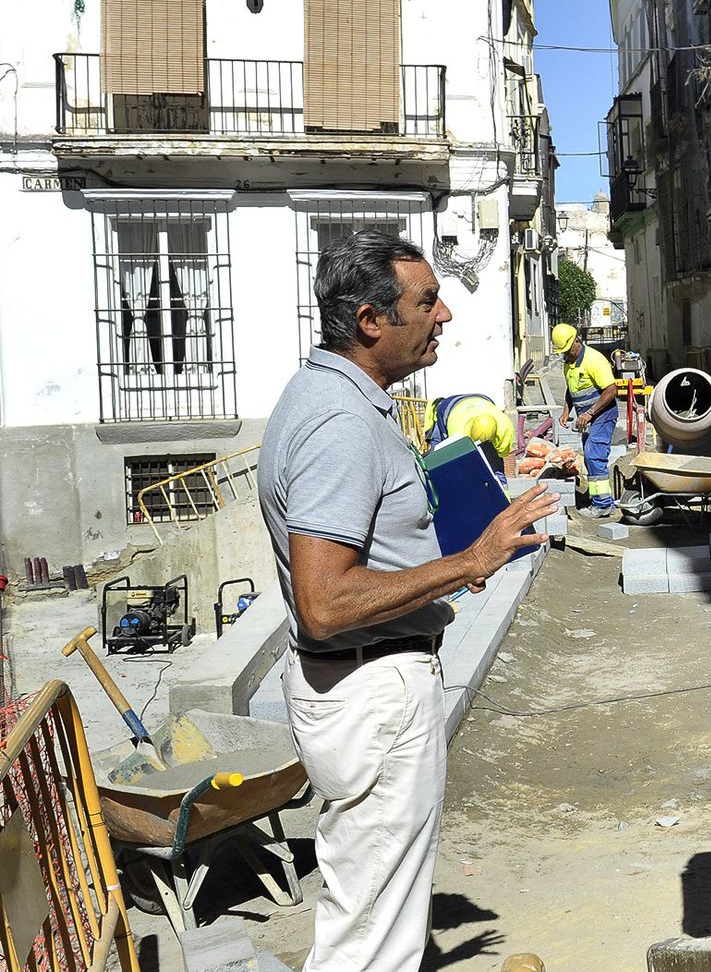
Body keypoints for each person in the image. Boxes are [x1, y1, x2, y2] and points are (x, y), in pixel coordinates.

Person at [259, 229, 560, 970]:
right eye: (427, 302)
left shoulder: (336, 397)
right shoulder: (340, 422)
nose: (446, 315)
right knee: (369, 940)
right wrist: (466, 562)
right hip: (373, 691)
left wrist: (448, 566)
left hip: (363, 682)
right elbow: (325, 597)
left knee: (370, 910)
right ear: (370, 321)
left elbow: (362, 561)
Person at [552, 322, 619, 518]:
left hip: (602, 415)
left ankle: (603, 504)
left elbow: (611, 390)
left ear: (577, 341)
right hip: (586, 419)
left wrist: (589, 414)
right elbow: (570, 390)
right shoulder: (569, 363)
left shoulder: (594, 360)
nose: (566, 353)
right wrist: (566, 412)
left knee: (593, 454)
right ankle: (598, 496)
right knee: (590, 458)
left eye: (568, 349)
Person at [424, 392, 517, 479]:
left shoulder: (506, 428)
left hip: (483, 400)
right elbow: (458, 459)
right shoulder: (456, 430)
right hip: (448, 407)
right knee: (439, 462)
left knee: (494, 465)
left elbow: (499, 458)